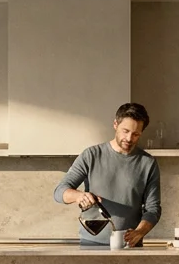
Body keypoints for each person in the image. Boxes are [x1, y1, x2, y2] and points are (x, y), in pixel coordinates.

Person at [53, 103, 161, 246]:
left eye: (136, 134)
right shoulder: (91, 156)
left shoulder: (148, 163)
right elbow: (59, 192)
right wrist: (78, 196)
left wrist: (140, 232)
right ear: (115, 124)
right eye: (125, 131)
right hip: (91, 244)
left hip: (129, 246)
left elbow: (153, 209)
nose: (129, 138)